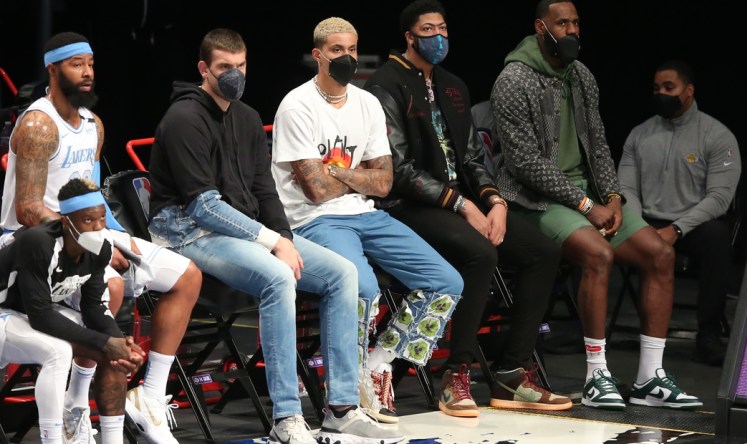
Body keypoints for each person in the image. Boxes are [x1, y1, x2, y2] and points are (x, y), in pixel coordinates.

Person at [146, 27, 402, 444]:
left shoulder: (245, 117)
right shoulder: (183, 118)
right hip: (188, 234)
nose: (235, 74)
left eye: (241, 66)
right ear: (203, 69)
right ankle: (286, 417)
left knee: (342, 273)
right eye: (224, 67)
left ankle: (340, 407)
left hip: (244, 230)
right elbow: (203, 207)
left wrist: (283, 235)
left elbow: (265, 190)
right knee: (278, 275)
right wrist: (274, 242)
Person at [490, 0, 702, 410]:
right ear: (541, 27)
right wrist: (587, 204)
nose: (571, 30)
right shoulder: (513, 80)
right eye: (562, 23)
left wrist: (613, 196)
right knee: (598, 254)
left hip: (587, 195)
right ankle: (596, 374)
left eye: (575, 23)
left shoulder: (581, 76)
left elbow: (599, 144)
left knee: (659, 253)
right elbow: (524, 162)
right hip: (533, 200)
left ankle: (649, 378)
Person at [363, 0, 572, 417]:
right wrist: (461, 204)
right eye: (428, 29)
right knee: (480, 253)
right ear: (409, 36)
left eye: (443, 28)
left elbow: (474, 157)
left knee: (543, 250)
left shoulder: (453, 85)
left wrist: (494, 201)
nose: (438, 37)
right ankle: (455, 375)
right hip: (408, 206)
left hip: (461, 204)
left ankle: (511, 372)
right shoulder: (384, 86)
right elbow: (398, 169)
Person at [0, 31, 202, 444]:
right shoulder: (39, 125)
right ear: (53, 70)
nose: (88, 72)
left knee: (186, 275)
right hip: (33, 239)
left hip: (88, 230)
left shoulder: (95, 124)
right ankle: (77, 405)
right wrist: (100, 248)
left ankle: (148, 396)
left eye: (91, 64)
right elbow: (28, 210)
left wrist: (122, 239)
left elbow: (94, 200)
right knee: (108, 287)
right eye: (77, 65)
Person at [272, 16, 464, 424]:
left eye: (353, 49)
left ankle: (376, 366)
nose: (348, 57)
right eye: (337, 50)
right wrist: (357, 175)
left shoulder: (367, 103)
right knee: (362, 287)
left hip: (366, 214)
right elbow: (316, 192)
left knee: (447, 281)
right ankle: (346, 393)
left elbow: (385, 181)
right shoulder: (297, 105)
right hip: (314, 221)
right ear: (318, 55)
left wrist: (337, 171)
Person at [0, 178, 145, 444]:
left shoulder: (100, 248)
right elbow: (41, 316)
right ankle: (53, 440)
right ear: (66, 222)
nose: (98, 227)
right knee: (59, 351)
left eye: (101, 218)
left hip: (30, 314)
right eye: (88, 220)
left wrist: (122, 343)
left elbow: (92, 306)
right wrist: (106, 341)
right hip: (5, 313)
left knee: (113, 354)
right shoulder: (38, 241)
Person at [618, 60, 741, 366]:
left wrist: (676, 229)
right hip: (646, 222)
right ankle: (592, 333)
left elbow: (720, 197)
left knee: (717, 238)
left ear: (689, 91)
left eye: (668, 88)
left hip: (692, 223)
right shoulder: (639, 134)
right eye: (656, 88)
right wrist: (639, 228)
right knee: (595, 234)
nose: (661, 93)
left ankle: (708, 336)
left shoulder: (716, 135)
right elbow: (625, 189)